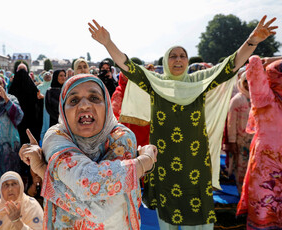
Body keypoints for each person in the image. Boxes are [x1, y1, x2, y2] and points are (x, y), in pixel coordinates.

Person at [89, 16, 277, 228]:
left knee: (197, 211)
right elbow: (127, 66)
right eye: (173, 56)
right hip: (163, 161)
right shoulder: (156, 83)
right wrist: (107, 43)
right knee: (166, 213)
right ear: (166, 61)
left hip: (195, 160)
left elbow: (231, 64)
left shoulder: (199, 81)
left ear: (187, 61)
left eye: (182, 56)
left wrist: (252, 40)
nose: (178, 60)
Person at [19, 74, 157, 229]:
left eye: (94, 98)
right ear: (63, 109)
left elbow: (103, 210)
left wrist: (44, 171)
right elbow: (96, 198)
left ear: (107, 105)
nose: (84, 105)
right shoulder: (56, 137)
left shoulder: (122, 137)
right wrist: (142, 164)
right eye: (74, 100)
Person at [236, 56, 282, 229]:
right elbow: (254, 62)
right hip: (267, 162)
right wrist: (272, 59)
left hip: (271, 158)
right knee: (265, 201)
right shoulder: (264, 97)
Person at [226, 71, 253, 194]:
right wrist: (232, 142)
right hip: (240, 142)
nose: (248, 84)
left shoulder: (259, 98)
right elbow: (231, 123)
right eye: (245, 81)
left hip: (255, 142)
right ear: (241, 82)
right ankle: (242, 199)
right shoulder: (237, 100)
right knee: (241, 169)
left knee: (253, 170)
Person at [37, 72, 52, 141]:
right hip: (42, 110)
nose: (48, 76)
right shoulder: (39, 87)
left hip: (52, 110)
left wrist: (44, 97)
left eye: (49, 75)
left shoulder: (53, 87)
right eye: (46, 75)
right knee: (43, 128)